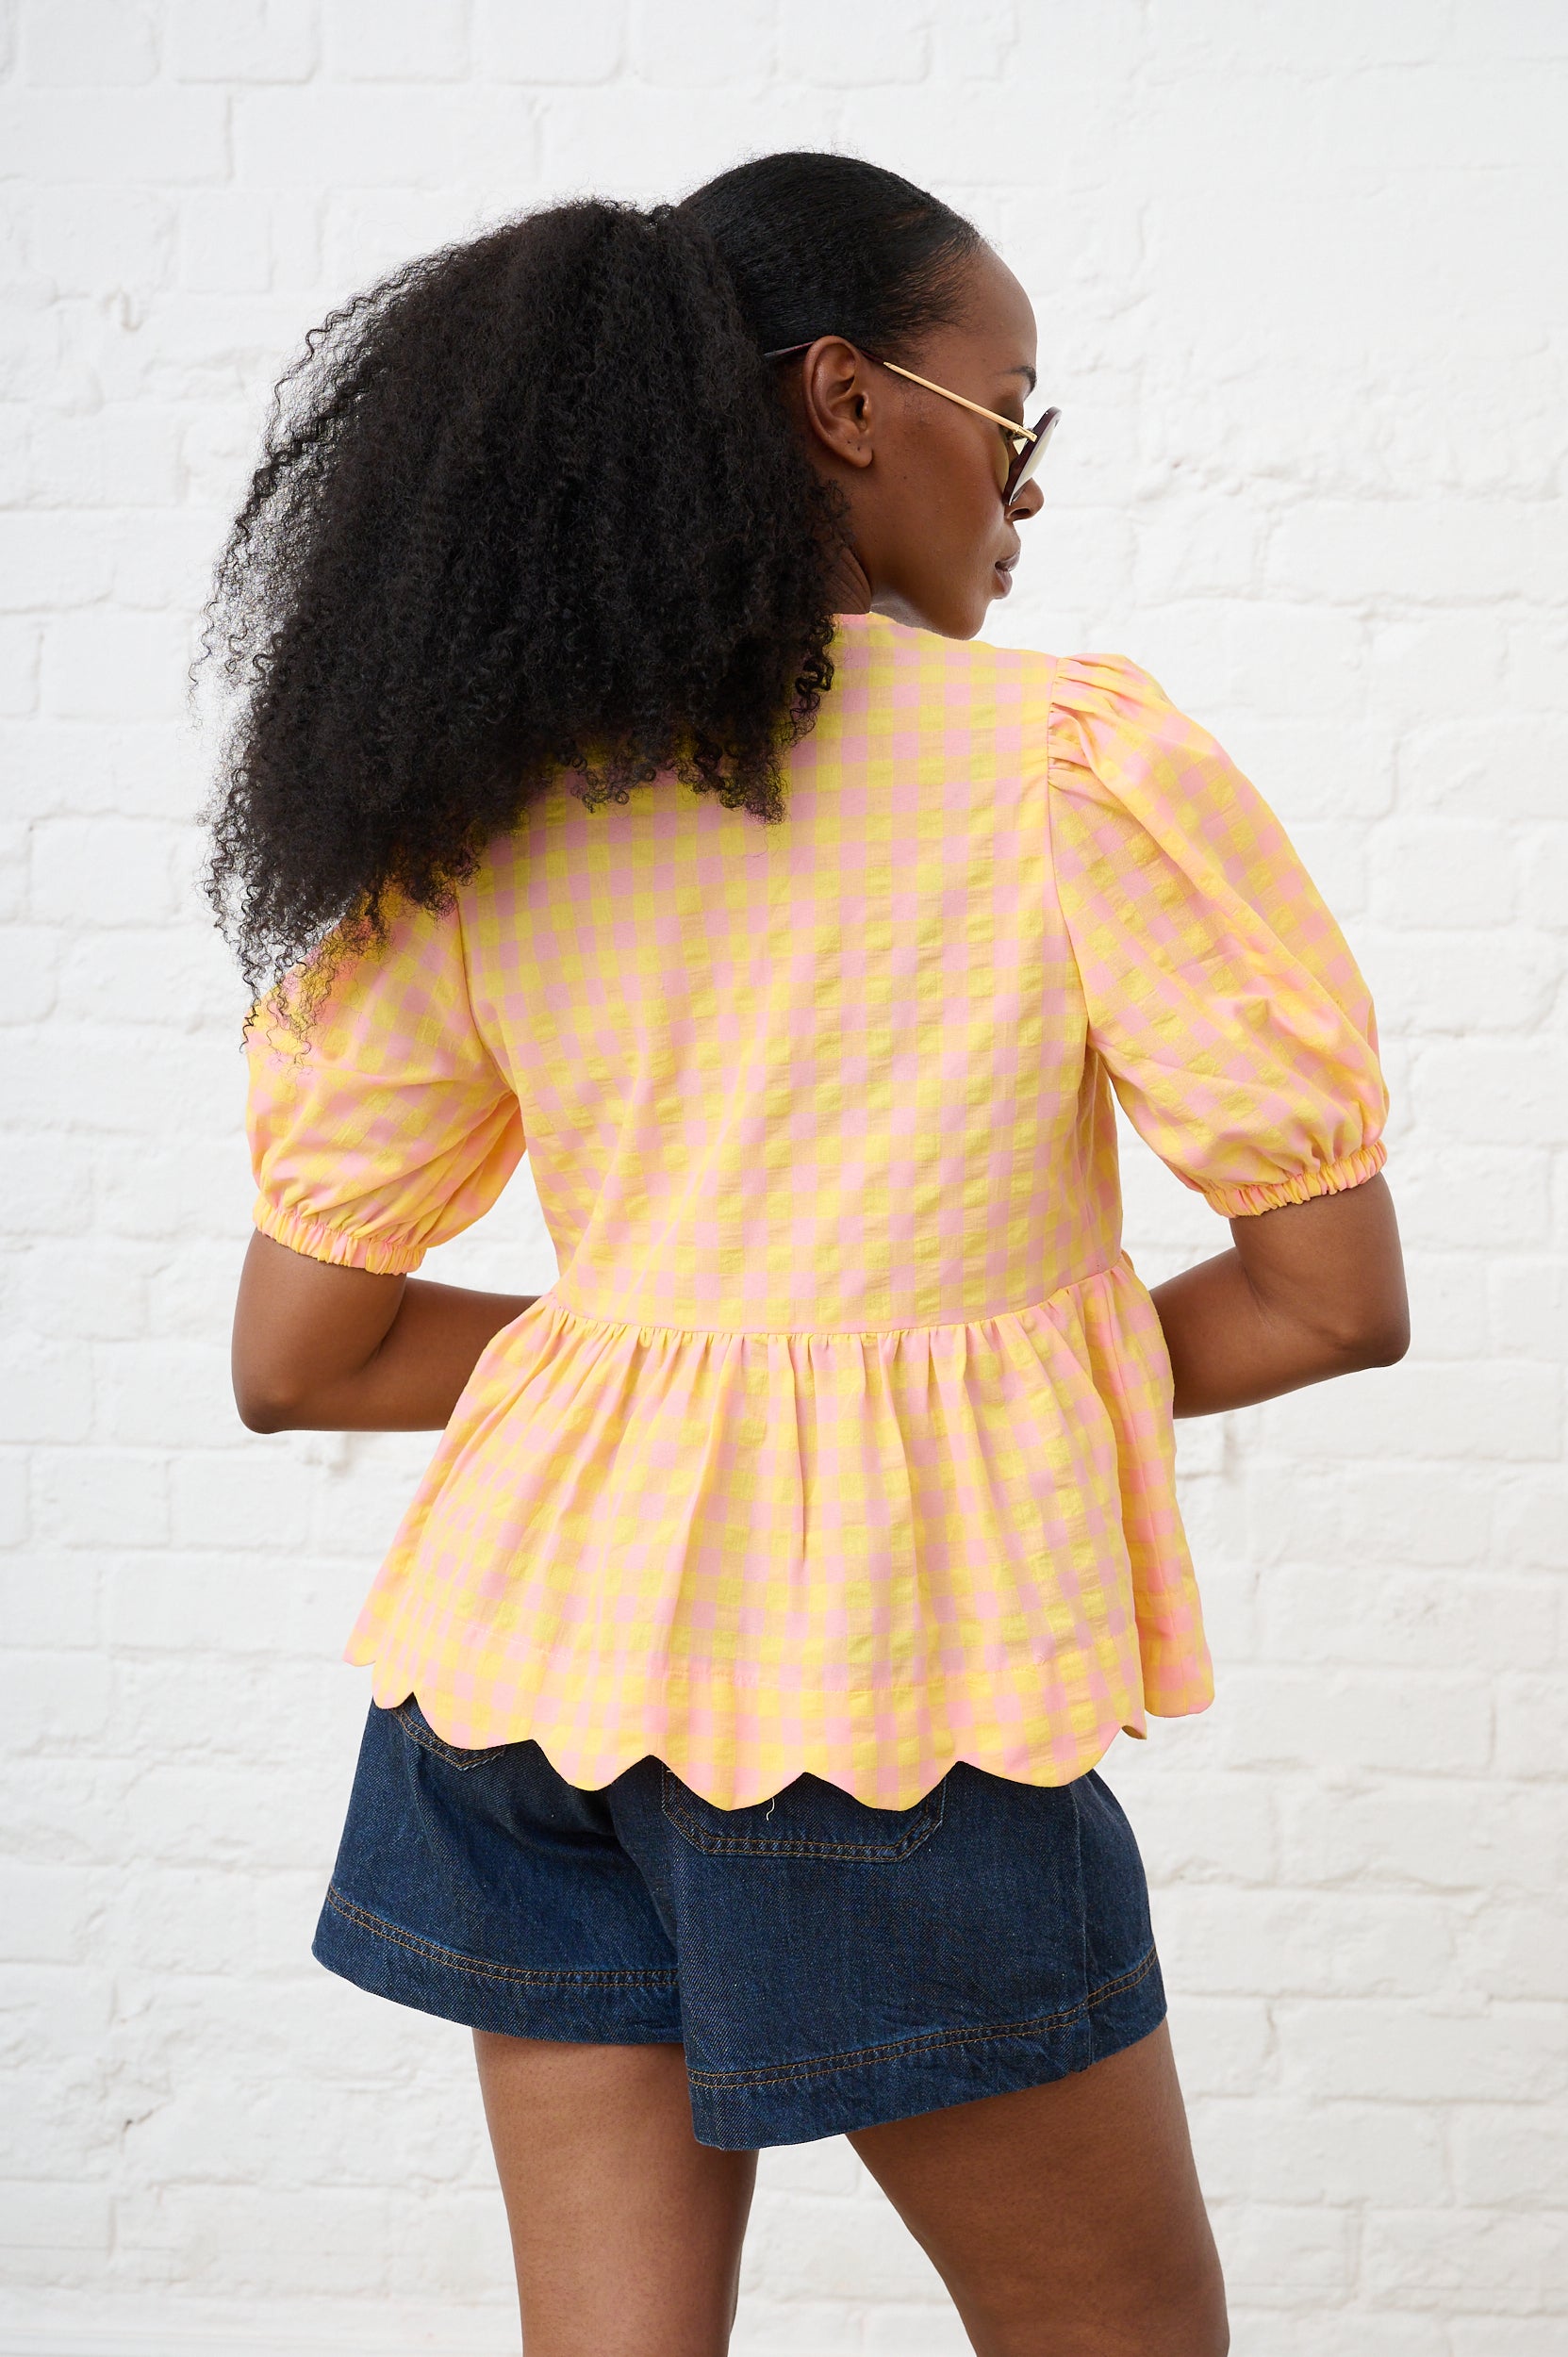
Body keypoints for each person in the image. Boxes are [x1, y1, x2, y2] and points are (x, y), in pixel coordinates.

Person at [206, 151, 1408, 2357]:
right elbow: (1330, 1295)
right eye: (1011, 418)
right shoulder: (1059, 761)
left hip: (513, 1689)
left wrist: (668, 1376)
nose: (1025, 493)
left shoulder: (490, 788)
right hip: (880, 1701)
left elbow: (303, 1350)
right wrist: (947, 1383)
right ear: (849, 402)